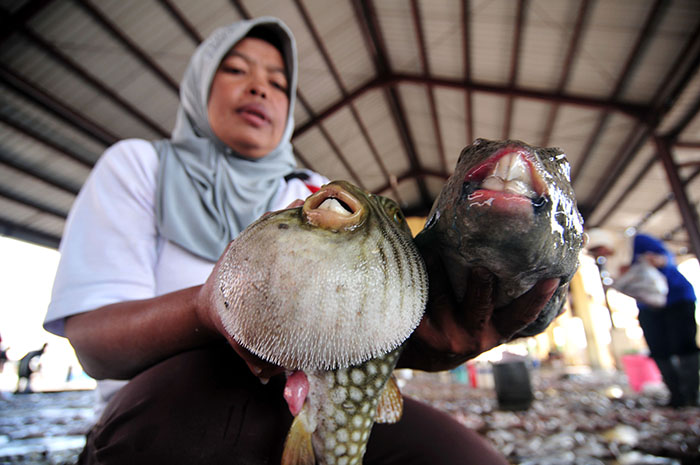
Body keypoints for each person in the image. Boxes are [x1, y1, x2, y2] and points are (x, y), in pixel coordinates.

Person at [43, 17, 558, 464]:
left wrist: (412, 345)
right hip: (162, 406)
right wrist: (206, 310)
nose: (260, 88)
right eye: (236, 69)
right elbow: (94, 346)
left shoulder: (314, 192)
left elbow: (349, 333)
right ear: (200, 84)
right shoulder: (140, 166)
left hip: (309, 403)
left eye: (278, 81)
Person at [626, 234, 699, 407]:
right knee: (658, 349)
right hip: (648, 304)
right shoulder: (601, 261)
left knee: (684, 346)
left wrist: (656, 260)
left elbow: (666, 258)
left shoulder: (639, 240)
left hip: (677, 298)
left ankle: (692, 394)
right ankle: (677, 395)